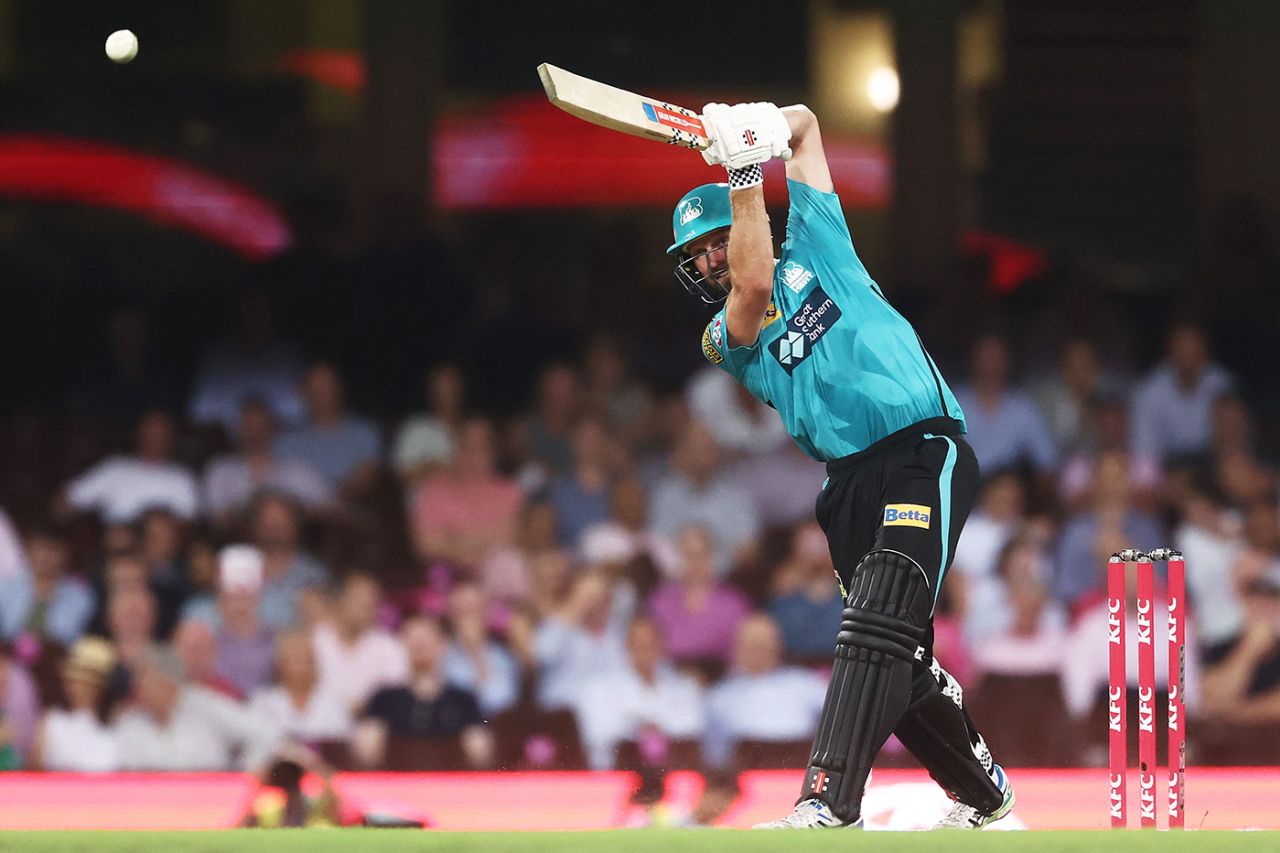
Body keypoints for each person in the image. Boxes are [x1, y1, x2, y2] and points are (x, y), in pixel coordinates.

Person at [669, 101, 1012, 828]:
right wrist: (741, 172)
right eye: (696, 255)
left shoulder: (817, 241)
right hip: (846, 484)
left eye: (716, 243)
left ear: (747, 229)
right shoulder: (722, 336)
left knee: (880, 613)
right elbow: (753, 287)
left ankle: (828, 800)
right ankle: (987, 800)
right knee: (896, 654)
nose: (709, 262)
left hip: (922, 446)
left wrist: (763, 126)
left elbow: (806, 127)